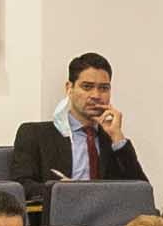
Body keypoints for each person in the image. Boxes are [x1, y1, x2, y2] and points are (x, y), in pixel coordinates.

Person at [45, 52, 143, 184]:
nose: (96, 95)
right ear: (69, 88)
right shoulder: (36, 135)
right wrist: (64, 190)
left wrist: (117, 136)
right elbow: (23, 187)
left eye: (103, 88)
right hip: (60, 203)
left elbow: (141, 191)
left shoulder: (114, 144)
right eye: (87, 87)